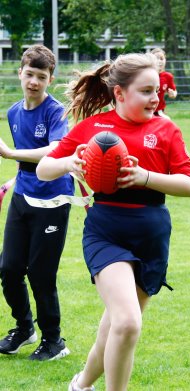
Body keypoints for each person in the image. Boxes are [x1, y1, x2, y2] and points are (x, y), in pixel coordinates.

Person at [36, 53, 190, 390]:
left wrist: (143, 176)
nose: (156, 98)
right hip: (106, 232)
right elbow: (43, 169)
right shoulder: (94, 129)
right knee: (127, 323)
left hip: (152, 235)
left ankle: (80, 385)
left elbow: (189, 186)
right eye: (146, 91)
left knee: (114, 330)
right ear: (120, 93)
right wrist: (69, 163)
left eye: (157, 90)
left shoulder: (166, 129)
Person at [0, 44, 73, 361]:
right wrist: (14, 177)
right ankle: (24, 328)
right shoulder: (14, 112)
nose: (33, 81)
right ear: (20, 73)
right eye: (29, 74)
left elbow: (55, 151)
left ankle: (54, 341)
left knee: (41, 275)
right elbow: (27, 159)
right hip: (22, 198)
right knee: (8, 268)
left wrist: (10, 154)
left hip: (53, 200)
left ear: (50, 79)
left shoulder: (56, 112)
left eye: (41, 76)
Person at [151, 48, 177, 119]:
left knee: (167, 122)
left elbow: (174, 92)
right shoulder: (145, 75)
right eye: (156, 58)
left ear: (165, 60)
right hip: (144, 110)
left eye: (161, 59)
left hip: (159, 111)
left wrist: (173, 94)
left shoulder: (168, 76)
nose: (159, 61)